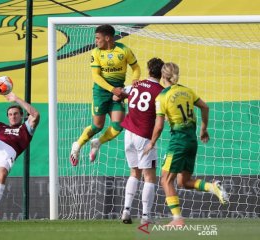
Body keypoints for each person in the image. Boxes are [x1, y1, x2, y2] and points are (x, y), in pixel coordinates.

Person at [143, 62, 229, 226]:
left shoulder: (162, 96)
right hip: (191, 141)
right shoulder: (187, 91)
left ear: (163, 76)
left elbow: (159, 125)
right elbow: (205, 107)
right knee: (183, 182)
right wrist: (203, 130)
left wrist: (152, 142)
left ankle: (177, 219)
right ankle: (213, 187)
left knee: (165, 180)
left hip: (178, 142)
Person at [70, 24, 141, 166]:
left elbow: (136, 67)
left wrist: (135, 79)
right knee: (97, 126)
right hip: (101, 93)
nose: (96, 41)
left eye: (98, 38)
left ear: (107, 38)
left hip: (118, 92)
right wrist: (112, 89)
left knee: (118, 125)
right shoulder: (96, 53)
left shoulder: (123, 50)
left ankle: (98, 142)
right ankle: (77, 146)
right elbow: (96, 77)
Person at [0, 91, 40, 224]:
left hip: (6, 152)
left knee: (1, 175)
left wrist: (16, 99)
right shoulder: (0, 125)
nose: (13, 116)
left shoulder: (25, 129)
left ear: (22, 116)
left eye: (16, 114)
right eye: (10, 115)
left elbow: (35, 115)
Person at [120, 58, 164, 225]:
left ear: (148, 69)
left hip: (128, 134)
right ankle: (146, 216)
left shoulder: (136, 85)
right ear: (162, 73)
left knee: (134, 173)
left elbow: (118, 94)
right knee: (149, 176)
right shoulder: (160, 92)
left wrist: (122, 97)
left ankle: (126, 211)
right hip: (144, 136)